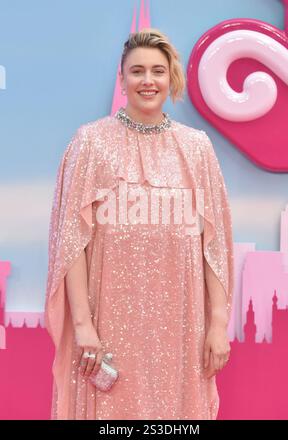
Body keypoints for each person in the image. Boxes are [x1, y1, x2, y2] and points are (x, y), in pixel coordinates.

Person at [44, 27, 234, 420]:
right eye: (137, 71)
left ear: (171, 78)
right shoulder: (91, 143)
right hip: (108, 321)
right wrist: (83, 326)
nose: (148, 81)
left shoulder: (196, 147)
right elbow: (71, 244)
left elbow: (213, 245)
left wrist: (217, 325)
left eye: (158, 71)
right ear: (121, 78)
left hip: (181, 326)